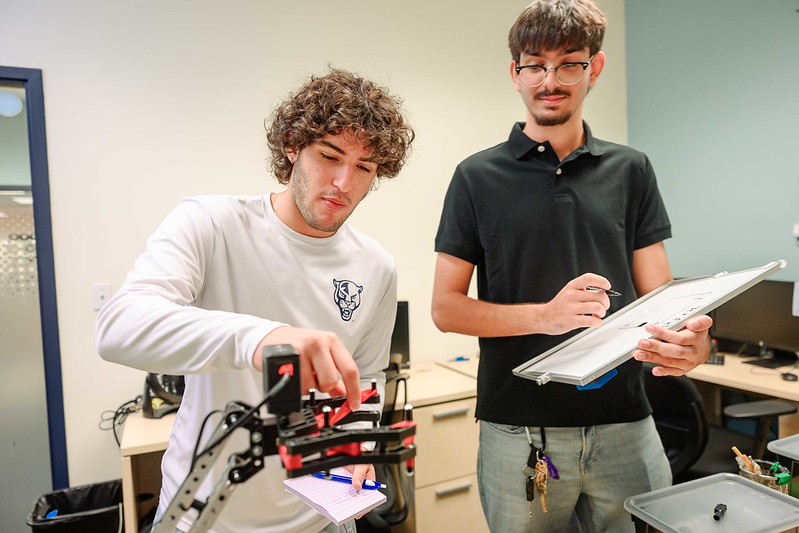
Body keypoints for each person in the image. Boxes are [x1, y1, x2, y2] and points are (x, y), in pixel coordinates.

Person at [431, 1, 712, 531]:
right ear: (515, 73)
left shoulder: (631, 170)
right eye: (535, 64)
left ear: (595, 68)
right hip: (518, 432)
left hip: (626, 425)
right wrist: (546, 316)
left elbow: (666, 298)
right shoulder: (475, 177)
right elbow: (446, 309)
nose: (550, 80)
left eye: (570, 64)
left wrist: (693, 342)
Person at [97, 68, 414, 533]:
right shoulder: (211, 224)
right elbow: (118, 327)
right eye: (330, 156)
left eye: (364, 168)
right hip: (207, 513)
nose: (344, 183)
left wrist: (356, 447)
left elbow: (365, 374)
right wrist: (261, 337)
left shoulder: (376, 266)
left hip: (321, 517)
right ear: (292, 147)